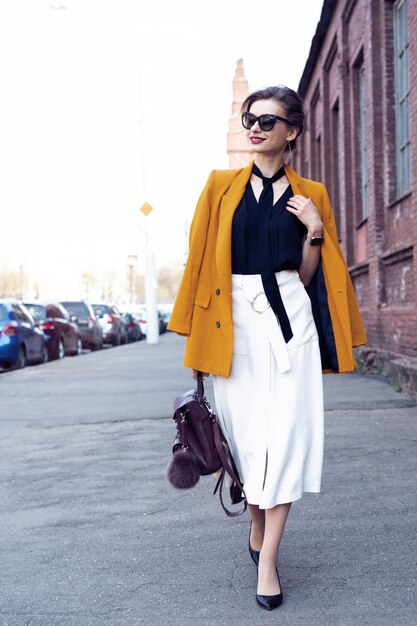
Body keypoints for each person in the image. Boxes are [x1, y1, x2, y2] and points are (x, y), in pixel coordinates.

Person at [167, 85, 366, 610]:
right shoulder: (219, 187)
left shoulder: (312, 194)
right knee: (249, 442)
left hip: (289, 320)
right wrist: (191, 329)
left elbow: (306, 276)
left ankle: (270, 562)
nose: (254, 127)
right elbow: (197, 260)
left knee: (286, 439)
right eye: (249, 118)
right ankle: (255, 526)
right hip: (232, 324)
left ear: (291, 132)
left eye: (268, 120)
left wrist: (316, 231)